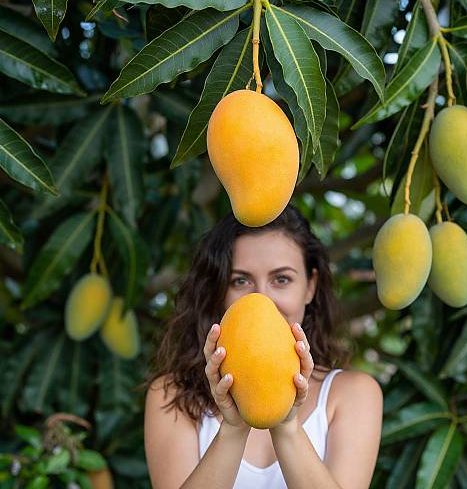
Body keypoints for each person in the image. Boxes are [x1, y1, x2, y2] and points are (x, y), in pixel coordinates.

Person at [143, 203, 383, 489]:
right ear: (219, 292)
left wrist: (287, 425)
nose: (262, 300)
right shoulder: (172, 396)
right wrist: (233, 428)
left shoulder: (353, 394)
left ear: (310, 287)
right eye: (240, 280)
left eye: (281, 279)